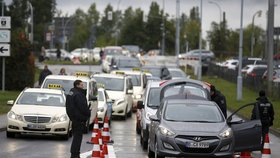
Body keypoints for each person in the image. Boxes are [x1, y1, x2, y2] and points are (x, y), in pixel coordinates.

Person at [66, 80, 91, 158]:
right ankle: (75, 154)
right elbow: (83, 107)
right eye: (81, 85)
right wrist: (88, 114)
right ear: (77, 85)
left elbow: (68, 106)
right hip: (79, 119)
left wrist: (72, 117)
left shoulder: (71, 92)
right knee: (77, 138)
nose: (83, 86)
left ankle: (75, 153)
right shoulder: (78, 94)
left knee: (76, 137)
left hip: (74, 118)